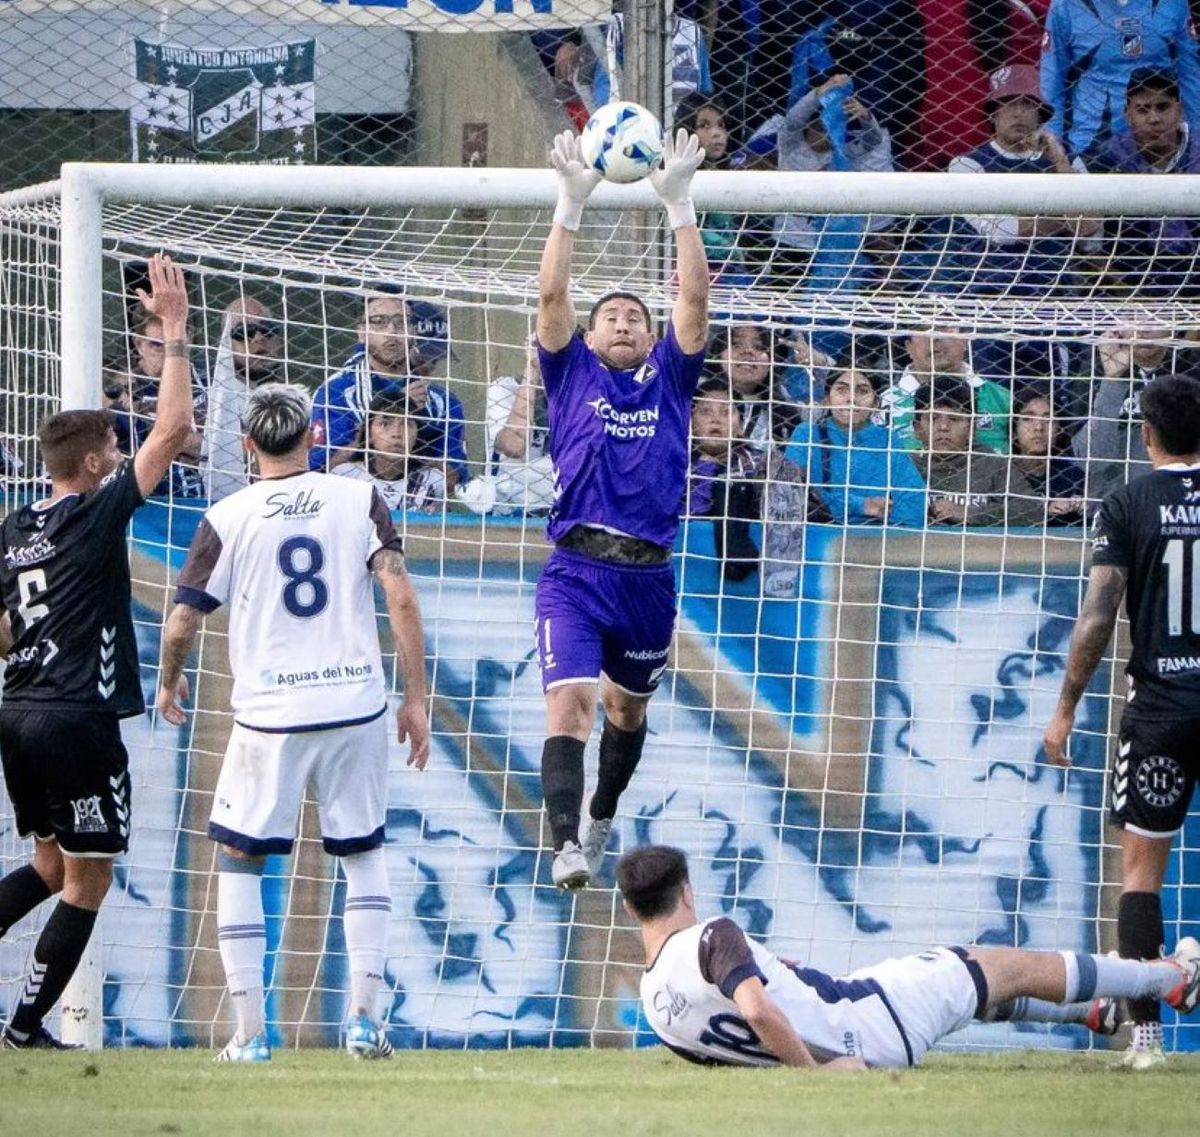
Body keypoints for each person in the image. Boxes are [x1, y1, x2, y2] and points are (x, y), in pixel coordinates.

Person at [155, 383, 430, 1062]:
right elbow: (397, 590)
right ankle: (364, 1021)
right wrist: (415, 696)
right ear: (314, 436)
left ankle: (250, 1032)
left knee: (239, 857)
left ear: (247, 445)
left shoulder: (227, 514)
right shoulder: (358, 497)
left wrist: (167, 677)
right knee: (362, 852)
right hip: (355, 704)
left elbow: (184, 618)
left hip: (272, 715)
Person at [0, 254, 196, 1049]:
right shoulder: (94, 512)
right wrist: (175, 331)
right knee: (90, 878)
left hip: (16, 711)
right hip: (77, 719)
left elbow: (3, 633)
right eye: (114, 449)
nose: (122, 457)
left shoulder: (13, 530)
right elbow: (174, 432)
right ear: (89, 466)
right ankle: (22, 1027)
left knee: (50, 869)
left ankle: (22, 1023)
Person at [534, 126, 707, 890]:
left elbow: (694, 298)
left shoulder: (671, 378)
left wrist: (680, 205)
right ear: (591, 331)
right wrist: (570, 205)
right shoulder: (569, 373)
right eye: (612, 315)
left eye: (637, 315)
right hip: (574, 569)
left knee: (626, 714)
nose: (626, 321)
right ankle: (567, 842)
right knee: (568, 704)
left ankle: (603, 809)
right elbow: (551, 295)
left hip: (647, 578)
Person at [618, 844, 1200, 1069]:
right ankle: (1166, 978)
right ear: (687, 892)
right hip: (868, 1020)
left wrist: (794, 1003)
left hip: (856, 1033)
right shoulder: (711, 935)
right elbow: (758, 1013)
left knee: (968, 991)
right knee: (1000, 965)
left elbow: (745, 1048)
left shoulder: (654, 1006)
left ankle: (1093, 1015)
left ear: (630, 909)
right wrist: (818, 1076)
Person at [1045, 373, 1200, 1069]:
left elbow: (1099, 617)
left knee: (1140, 876)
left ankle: (1145, 1039)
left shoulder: (1129, 502)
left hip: (1163, 708)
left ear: (1146, 433)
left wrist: (1066, 706)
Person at [948, 64, 1096, 296]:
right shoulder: (967, 165)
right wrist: (1068, 221)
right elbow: (1002, 232)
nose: (1018, 113)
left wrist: (1059, 161)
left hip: (1057, 294)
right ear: (994, 114)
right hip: (991, 293)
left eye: (1027, 104)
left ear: (1040, 113)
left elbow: (1091, 235)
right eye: (1008, 103)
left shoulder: (1068, 160)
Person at [310, 292, 467, 487]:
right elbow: (316, 472)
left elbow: (456, 478)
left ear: (414, 331)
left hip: (418, 513)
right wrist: (391, 407)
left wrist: (419, 427)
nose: (392, 331)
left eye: (402, 322)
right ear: (361, 332)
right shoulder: (335, 393)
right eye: (378, 321)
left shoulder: (443, 402)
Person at [688, 379, 826, 594]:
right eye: (705, 412)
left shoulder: (765, 461)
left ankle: (737, 554)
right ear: (691, 423)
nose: (716, 419)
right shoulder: (673, 465)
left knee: (734, 485)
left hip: (762, 564)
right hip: (687, 568)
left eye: (726, 412)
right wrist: (705, 469)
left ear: (740, 426)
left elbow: (810, 508)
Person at [1081, 68, 1200, 296]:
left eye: (1163, 107)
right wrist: (1135, 302)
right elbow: (1089, 249)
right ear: (1127, 114)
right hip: (1125, 287)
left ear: (1180, 111)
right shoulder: (1100, 162)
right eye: (1143, 110)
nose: (1154, 118)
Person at [785, 364, 926, 527]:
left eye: (863, 391)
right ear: (827, 400)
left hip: (878, 539)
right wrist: (862, 506)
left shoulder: (888, 440)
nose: (851, 399)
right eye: (841, 390)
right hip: (820, 537)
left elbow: (915, 508)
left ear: (876, 403)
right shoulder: (807, 435)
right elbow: (790, 496)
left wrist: (840, 507)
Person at [913, 376, 1044, 527]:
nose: (943, 427)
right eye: (933, 418)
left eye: (954, 419)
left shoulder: (992, 463)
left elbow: (1033, 510)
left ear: (972, 427)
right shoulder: (905, 464)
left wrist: (970, 513)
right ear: (917, 428)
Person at [201, 297, 284, 501]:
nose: (258, 339)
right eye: (243, 332)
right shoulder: (203, 391)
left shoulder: (291, 395)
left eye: (267, 329)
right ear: (225, 342)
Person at [881, 326, 1011, 454]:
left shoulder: (1001, 398)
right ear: (908, 347)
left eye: (943, 328)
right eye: (923, 330)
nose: (934, 337)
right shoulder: (884, 404)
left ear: (964, 340)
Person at [332, 389, 446, 514]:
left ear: (417, 436)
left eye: (407, 424)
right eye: (385, 424)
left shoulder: (433, 480)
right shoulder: (345, 475)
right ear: (368, 434)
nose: (396, 433)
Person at [1007, 385, 1087, 526]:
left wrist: (1082, 508)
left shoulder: (1075, 477)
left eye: (1048, 418)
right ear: (1014, 429)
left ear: (1059, 429)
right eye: (1028, 419)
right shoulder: (1000, 474)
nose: (1038, 427)